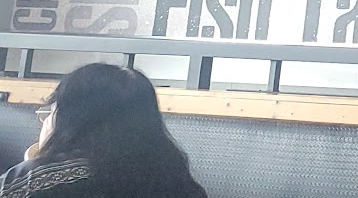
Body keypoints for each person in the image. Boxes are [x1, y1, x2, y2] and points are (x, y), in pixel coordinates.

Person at [2, 64, 208, 198]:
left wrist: (39, 160)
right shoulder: (177, 180)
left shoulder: (33, 180)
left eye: (51, 112)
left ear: (69, 119)